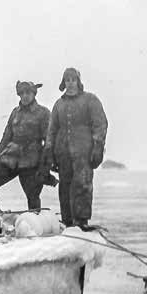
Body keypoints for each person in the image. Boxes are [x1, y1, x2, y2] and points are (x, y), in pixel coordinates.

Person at [0, 81, 57, 224]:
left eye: (28, 93)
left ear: (34, 94)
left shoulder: (43, 113)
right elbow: (6, 137)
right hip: (10, 159)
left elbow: (49, 143)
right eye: (22, 93)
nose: (25, 96)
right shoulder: (15, 112)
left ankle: (35, 226)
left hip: (31, 161)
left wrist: (45, 168)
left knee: (33, 196)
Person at [43, 67, 108, 230]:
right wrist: (49, 152)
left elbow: (100, 124)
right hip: (62, 153)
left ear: (78, 82)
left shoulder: (90, 100)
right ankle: (67, 221)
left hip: (84, 152)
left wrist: (98, 147)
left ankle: (81, 221)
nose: (70, 83)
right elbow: (52, 129)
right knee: (65, 185)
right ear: (64, 83)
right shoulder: (59, 104)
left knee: (82, 184)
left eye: (73, 80)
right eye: (67, 80)